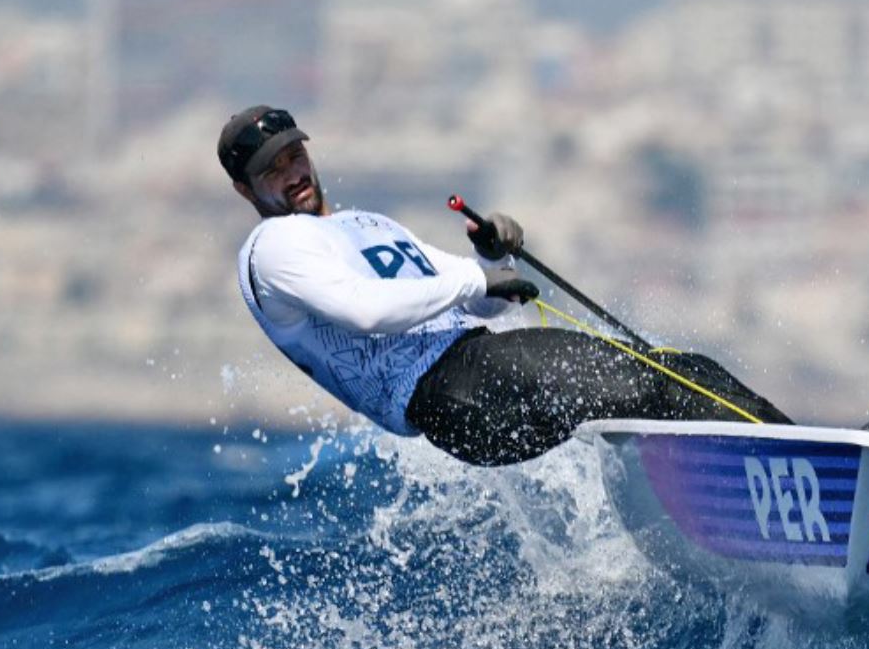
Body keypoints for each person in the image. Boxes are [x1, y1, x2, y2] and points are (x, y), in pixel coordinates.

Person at [219, 106, 788, 465]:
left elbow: (478, 300)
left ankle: (774, 462)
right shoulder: (275, 248)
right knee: (656, 383)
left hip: (475, 392)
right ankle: (798, 463)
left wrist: (485, 256)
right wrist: (474, 277)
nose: (294, 174)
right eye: (273, 170)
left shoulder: (364, 225)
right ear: (246, 191)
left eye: (296, 155)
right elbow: (366, 311)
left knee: (681, 372)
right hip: (451, 385)